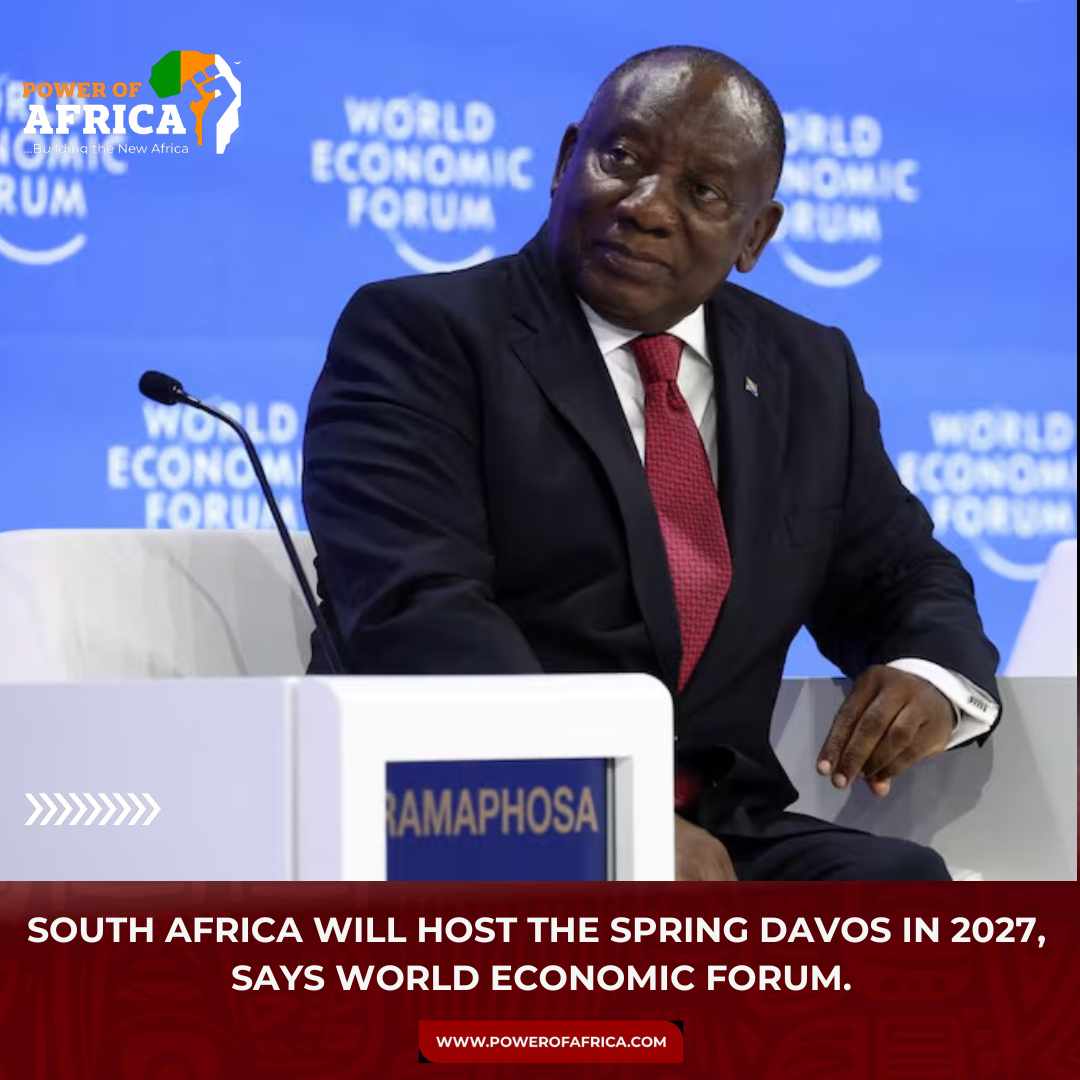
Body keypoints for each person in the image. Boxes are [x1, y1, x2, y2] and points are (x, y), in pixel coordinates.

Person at [302, 46, 1001, 881]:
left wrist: (931, 677)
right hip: (479, 809)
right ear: (566, 161)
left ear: (756, 235)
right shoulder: (421, 335)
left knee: (899, 888)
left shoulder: (806, 370)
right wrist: (607, 813)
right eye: (622, 159)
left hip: (716, 826)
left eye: (703, 193)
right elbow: (417, 610)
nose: (645, 207)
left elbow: (900, 574)